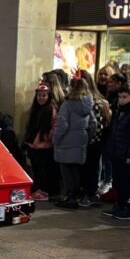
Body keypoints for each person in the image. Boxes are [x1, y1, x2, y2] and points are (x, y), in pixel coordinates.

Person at [102, 86, 130, 220]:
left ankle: (127, 208)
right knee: (118, 181)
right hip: (117, 151)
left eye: (125, 97)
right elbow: (114, 131)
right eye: (120, 97)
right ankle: (119, 205)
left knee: (127, 182)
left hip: (127, 154)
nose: (121, 100)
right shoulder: (120, 111)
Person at [53, 77, 96, 209]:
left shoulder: (68, 104)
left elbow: (62, 124)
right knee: (76, 170)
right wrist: (87, 137)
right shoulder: (88, 104)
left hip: (66, 141)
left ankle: (71, 197)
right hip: (80, 141)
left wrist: (56, 139)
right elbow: (93, 123)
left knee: (66, 171)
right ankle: (76, 196)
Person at [79, 70, 111, 207]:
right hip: (88, 141)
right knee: (88, 168)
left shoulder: (94, 100)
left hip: (92, 141)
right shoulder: (88, 99)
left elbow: (96, 124)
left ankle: (90, 194)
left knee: (91, 168)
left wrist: (90, 139)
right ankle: (87, 192)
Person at [24, 84, 59, 201]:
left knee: (44, 170)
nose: (41, 98)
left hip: (44, 146)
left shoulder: (51, 109)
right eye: (39, 95)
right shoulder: (35, 109)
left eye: (44, 95)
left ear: (48, 96)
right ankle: (39, 189)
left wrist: (47, 137)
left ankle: (44, 192)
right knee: (36, 170)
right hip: (33, 145)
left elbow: (54, 126)